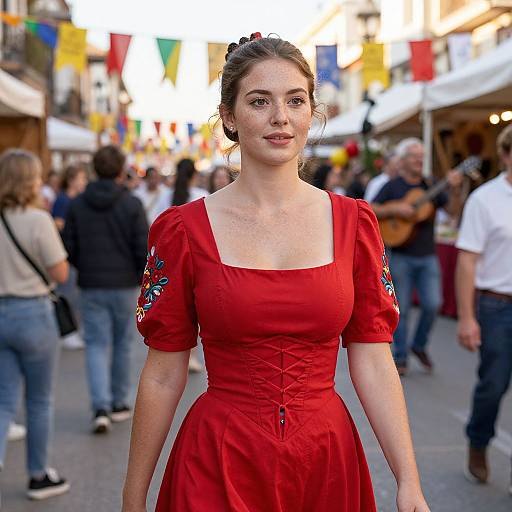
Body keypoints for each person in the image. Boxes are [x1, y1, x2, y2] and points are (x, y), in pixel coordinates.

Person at [122, 35, 429, 512]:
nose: (280, 117)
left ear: (312, 112)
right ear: (228, 116)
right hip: (219, 459)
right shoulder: (181, 230)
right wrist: (133, 496)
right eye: (259, 101)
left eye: (295, 100)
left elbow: (372, 358)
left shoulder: (355, 224)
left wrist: (408, 480)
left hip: (325, 460)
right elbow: (163, 374)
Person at [63, 145, 149, 434]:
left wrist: (84, 266)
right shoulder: (131, 204)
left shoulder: (77, 204)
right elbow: (143, 247)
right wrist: (139, 276)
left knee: (96, 345)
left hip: (91, 284)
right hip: (124, 284)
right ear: (120, 168)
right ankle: (119, 402)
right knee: (122, 343)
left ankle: (100, 406)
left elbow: (69, 247)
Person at [0, 149, 70, 501]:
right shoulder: (38, 219)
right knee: (39, 400)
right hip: (33, 312)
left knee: (3, 399)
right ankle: (38, 475)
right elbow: (60, 272)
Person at [371, 138, 462, 375]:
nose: (420, 160)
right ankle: (401, 355)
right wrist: (395, 209)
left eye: (422, 155)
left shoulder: (431, 184)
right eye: (414, 155)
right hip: (401, 255)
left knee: (433, 304)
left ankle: (418, 345)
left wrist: (453, 188)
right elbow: (370, 208)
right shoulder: (393, 186)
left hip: (428, 255)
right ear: (402, 161)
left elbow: (452, 211)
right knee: (402, 310)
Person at [455, 124, 512, 494]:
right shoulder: (485, 199)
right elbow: (467, 262)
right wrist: (466, 317)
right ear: (506, 154)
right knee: (493, 385)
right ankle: (478, 439)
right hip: (497, 306)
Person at [171, 158, 209, 373]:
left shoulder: (166, 196)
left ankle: (182, 355)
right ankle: (192, 355)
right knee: (199, 310)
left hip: (173, 258)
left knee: (178, 314)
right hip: (200, 258)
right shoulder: (200, 197)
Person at [52, 165, 89, 351]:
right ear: (72, 180)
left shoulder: (76, 200)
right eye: (81, 178)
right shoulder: (63, 200)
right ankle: (68, 331)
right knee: (68, 293)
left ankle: (72, 330)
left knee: (73, 292)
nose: (84, 182)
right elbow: (58, 223)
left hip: (72, 251)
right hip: (64, 252)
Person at [51, 164, 88, 232]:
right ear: (70, 181)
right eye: (82, 179)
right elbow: (57, 222)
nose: (85, 182)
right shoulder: (63, 200)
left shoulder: (78, 199)